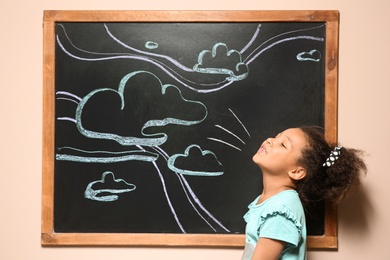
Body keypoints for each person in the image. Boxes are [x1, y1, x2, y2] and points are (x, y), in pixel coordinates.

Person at [241, 126, 367, 260]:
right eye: (277, 136)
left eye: (283, 144)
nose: (270, 140)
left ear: (297, 172)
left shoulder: (280, 209)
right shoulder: (273, 202)